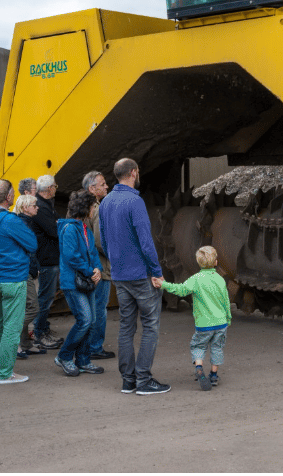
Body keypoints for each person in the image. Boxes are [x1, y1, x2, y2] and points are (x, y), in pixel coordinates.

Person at [99, 158, 170, 395]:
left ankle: (128, 380)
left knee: (126, 328)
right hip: (140, 274)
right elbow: (146, 242)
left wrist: (115, 264)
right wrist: (157, 272)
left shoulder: (106, 202)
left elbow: (104, 240)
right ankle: (144, 379)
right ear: (133, 173)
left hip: (119, 274)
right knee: (150, 325)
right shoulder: (135, 202)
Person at [0, 180, 37, 384]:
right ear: (9, 197)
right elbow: (32, 243)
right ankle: (5, 373)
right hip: (13, 277)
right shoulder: (10, 220)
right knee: (12, 328)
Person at [154, 245, 231, 390]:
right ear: (216, 262)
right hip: (221, 323)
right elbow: (226, 301)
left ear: (198, 262)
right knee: (217, 348)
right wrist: (228, 318)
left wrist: (163, 284)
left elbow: (181, 290)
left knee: (198, 345)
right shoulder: (220, 280)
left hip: (204, 324)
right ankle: (214, 376)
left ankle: (199, 367)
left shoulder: (196, 279)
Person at [54, 190, 104, 377]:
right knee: (85, 321)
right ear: (85, 208)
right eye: (93, 206)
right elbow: (71, 257)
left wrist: (98, 269)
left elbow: (93, 254)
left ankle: (83, 360)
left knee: (91, 322)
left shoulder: (85, 229)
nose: (94, 209)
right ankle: (64, 356)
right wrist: (91, 271)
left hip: (85, 281)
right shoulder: (69, 229)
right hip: (73, 283)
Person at [82, 170, 114, 360]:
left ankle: (86, 345)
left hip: (85, 266)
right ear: (92, 189)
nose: (107, 186)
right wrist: (115, 258)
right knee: (99, 308)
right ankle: (94, 347)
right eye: (102, 184)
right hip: (100, 267)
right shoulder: (98, 209)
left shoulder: (78, 207)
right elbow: (100, 241)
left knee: (88, 308)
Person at [29, 175, 63, 351]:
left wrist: (58, 223)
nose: (56, 189)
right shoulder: (41, 207)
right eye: (55, 186)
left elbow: (58, 223)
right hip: (46, 259)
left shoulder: (44, 205)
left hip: (49, 257)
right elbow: (55, 230)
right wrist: (58, 224)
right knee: (45, 297)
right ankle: (39, 333)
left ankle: (42, 329)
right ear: (49, 188)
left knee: (47, 296)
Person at [12, 194, 44, 358]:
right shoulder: (23, 224)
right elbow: (28, 250)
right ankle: (13, 338)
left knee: (25, 307)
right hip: (24, 271)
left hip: (25, 270)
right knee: (33, 308)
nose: (37, 207)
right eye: (33, 205)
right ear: (25, 207)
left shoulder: (25, 222)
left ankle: (25, 344)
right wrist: (33, 269)